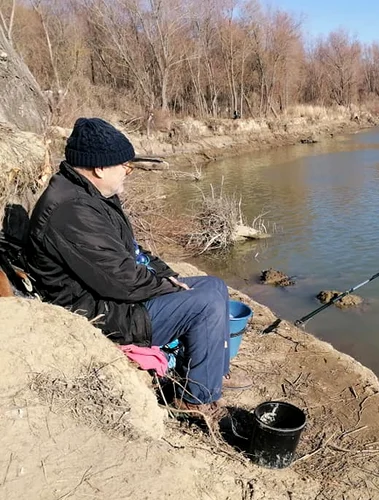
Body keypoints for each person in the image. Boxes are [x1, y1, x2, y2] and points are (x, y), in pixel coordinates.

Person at [27, 117, 250, 418]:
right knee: (205, 304)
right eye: (125, 166)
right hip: (98, 312)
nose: (128, 173)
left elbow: (132, 250)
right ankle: (196, 402)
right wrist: (168, 286)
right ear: (99, 168)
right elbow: (120, 281)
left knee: (213, 286)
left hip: (114, 296)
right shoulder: (71, 210)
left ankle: (209, 374)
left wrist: (167, 274)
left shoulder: (92, 195)